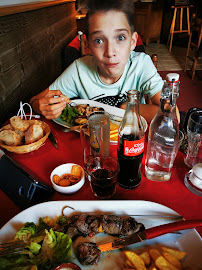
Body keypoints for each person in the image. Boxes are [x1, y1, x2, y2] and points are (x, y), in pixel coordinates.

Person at [30, 0, 164, 123]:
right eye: (98, 41)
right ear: (87, 46)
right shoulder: (78, 70)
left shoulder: (141, 64)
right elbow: (35, 100)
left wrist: (125, 107)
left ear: (133, 41)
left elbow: (171, 112)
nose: (110, 52)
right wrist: (40, 106)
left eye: (120, 37)